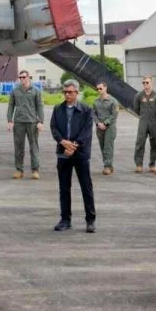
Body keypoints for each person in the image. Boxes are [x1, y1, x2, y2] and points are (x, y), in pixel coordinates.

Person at [50, 80, 95, 233]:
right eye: (65, 92)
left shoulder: (86, 110)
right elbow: (54, 128)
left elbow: (86, 132)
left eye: (70, 92)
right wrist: (63, 142)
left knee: (86, 187)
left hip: (80, 153)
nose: (67, 95)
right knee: (64, 188)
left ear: (77, 92)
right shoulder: (58, 109)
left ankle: (90, 220)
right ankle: (65, 219)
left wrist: (73, 146)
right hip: (63, 154)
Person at [7, 71, 44, 179]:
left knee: (34, 147)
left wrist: (41, 121)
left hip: (32, 122)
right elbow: (11, 106)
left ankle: (35, 170)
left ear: (28, 77)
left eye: (24, 77)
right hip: (19, 122)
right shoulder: (15, 91)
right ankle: (19, 170)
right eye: (20, 77)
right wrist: (10, 120)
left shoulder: (36, 91)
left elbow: (40, 106)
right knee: (18, 147)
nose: (22, 79)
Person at [132, 77, 156, 173]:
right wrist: (143, 116)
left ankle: (152, 164)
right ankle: (139, 164)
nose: (145, 84)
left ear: (151, 83)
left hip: (154, 122)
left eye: (147, 82)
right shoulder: (139, 95)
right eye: (143, 82)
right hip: (143, 121)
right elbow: (136, 109)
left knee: (154, 143)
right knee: (140, 142)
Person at [93, 81, 119, 175]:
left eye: (101, 88)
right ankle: (108, 165)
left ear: (105, 88)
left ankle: (107, 166)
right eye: (97, 89)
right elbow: (93, 114)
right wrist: (98, 123)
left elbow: (114, 114)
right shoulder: (96, 101)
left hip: (109, 128)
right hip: (99, 127)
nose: (99, 90)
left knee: (108, 147)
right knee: (102, 146)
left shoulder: (113, 101)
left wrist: (105, 123)